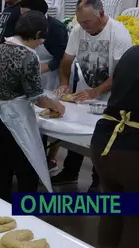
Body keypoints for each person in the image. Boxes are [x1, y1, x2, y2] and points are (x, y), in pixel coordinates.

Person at [0, 10, 65, 202]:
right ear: (37, 34)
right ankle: (27, 218)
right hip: (14, 119)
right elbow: (36, 96)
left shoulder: (0, 48)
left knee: (2, 168)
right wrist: (56, 105)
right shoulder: (28, 55)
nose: (40, 43)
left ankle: (0, 211)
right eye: (41, 39)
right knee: (27, 170)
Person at [51, 0, 132, 191]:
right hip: (83, 93)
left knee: (99, 138)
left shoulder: (118, 33)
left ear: (101, 14)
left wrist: (95, 91)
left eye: (87, 22)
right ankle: (70, 171)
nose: (84, 26)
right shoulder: (78, 31)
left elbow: (120, 73)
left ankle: (97, 181)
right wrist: (64, 84)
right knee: (72, 131)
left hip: (109, 98)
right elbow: (66, 60)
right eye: (80, 21)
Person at [91, 45, 139, 248]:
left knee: (112, 211)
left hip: (104, 141)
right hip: (131, 149)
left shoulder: (132, 52)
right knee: (134, 220)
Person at [20, 0, 69, 173]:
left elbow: (61, 56)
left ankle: (50, 158)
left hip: (51, 76)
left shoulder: (57, 29)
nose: (22, 18)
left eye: (26, 14)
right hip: (32, 71)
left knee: (51, 119)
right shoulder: (24, 28)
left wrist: (41, 68)